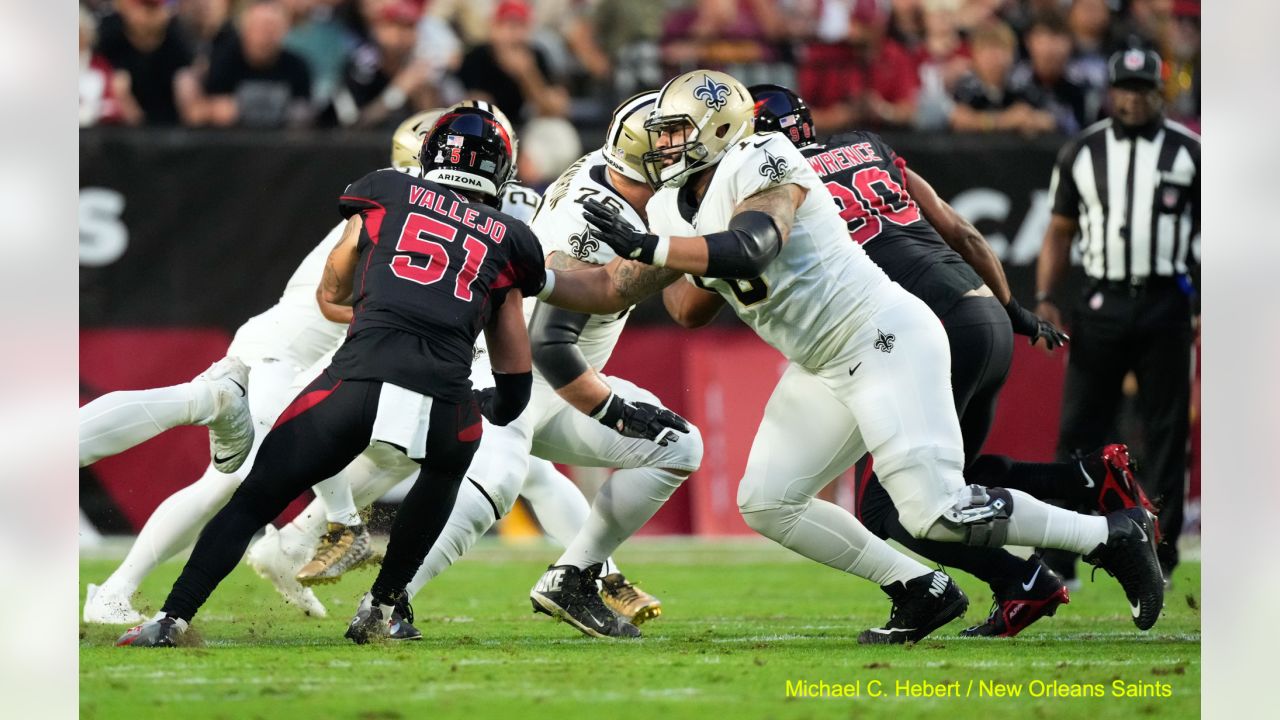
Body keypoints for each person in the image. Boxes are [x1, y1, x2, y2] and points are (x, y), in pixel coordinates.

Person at [581, 69, 1165, 643]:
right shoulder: (673, 205)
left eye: (676, 131)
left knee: (934, 510)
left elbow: (754, 247)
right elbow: (623, 290)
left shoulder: (763, 156)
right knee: (768, 501)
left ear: (720, 128)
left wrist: (653, 246)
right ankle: (918, 588)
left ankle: (1109, 535)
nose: (664, 146)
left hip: (880, 336)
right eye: (661, 133)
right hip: (824, 362)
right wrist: (532, 273)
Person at [115, 106, 549, 647]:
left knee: (254, 498)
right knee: (447, 465)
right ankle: (383, 605)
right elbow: (513, 363)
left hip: (358, 380)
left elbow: (335, 285)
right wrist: (489, 406)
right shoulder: (511, 235)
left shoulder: (386, 191)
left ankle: (171, 617)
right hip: (444, 396)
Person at [741, 83, 1156, 637]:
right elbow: (960, 230)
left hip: (919, 328)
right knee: (950, 484)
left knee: (900, 510)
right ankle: (1085, 481)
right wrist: (1013, 311)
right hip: (980, 313)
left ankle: (1074, 550)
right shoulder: (868, 147)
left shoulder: (780, 187)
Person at [1035, 48, 1200, 583]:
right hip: (1102, 301)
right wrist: (1045, 297)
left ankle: (1162, 553)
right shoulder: (1083, 150)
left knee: (1167, 431)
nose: (1132, 98)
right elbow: (1059, 230)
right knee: (1079, 431)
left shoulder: (1190, 151)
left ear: (1160, 91)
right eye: (1123, 87)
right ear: (1111, 90)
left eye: (1142, 88)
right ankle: (1062, 556)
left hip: (1167, 302)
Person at [197, 0, 314, 128]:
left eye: (273, 27)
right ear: (245, 30)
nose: (267, 34)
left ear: (285, 30)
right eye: (261, 27)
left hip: (282, 143)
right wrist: (213, 110)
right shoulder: (223, 61)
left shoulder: (297, 66)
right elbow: (202, 109)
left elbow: (305, 110)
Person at [457, 0, 569, 120]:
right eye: (510, 26)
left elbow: (557, 109)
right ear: (494, 28)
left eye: (522, 26)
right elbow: (471, 106)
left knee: (557, 128)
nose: (515, 34)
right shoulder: (477, 56)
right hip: (489, 127)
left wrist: (528, 75)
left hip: (528, 126)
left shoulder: (537, 55)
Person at [94, 0, 197, 125]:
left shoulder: (177, 40)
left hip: (171, 127)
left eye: (153, 8)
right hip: (120, 131)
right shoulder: (110, 37)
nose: (147, 16)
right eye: (142, 7)